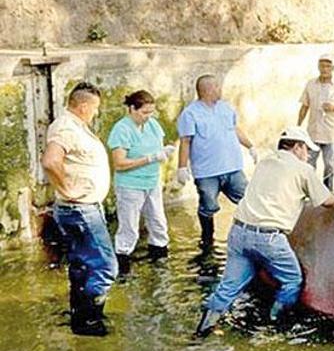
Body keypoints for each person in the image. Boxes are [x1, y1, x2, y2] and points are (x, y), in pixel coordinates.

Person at [195, 126, 334, 337]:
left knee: (228, 288)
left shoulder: (265, 163)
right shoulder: (303, 170)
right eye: (307, 149)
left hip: (238, 233)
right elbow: (329, 201)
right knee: (291, 280)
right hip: (269, 239)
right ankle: (274, 325)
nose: (307, 155)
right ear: (297, 147)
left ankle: (201, 331)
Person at [41, 82, 117, 336]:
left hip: (80, 208)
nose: (96, 113)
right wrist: (67, 188)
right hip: (80, 209)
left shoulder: (75, 126)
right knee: (106, 266)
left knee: (82, 264)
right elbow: (51, 161)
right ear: (83, 106)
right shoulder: (65, 127)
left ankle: (78, 315)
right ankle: (89, 319)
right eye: (95, 108)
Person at [176, 74, 258, 248]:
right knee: (208, 206)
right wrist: (182, 167)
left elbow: (236, 129)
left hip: (233, 168)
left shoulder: (226, 108)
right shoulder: (190, 114)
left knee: (248, 200)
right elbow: (185, 141)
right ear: (207, 90)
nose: (220, 90)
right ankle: (207, 239)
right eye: (217, 87)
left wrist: (250, 146)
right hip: (207, 172)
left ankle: (254, 235)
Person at [107, 90, 175, 276]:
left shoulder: (153, 125)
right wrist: (150, 158)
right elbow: (119, 164)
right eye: (144, 112)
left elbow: (158, 148)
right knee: (129, 228)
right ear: (132, 109)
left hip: (152, 182)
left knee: (159, 223)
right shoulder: (122, 129)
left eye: (151, 112)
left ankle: (160, 262)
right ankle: (122, 266)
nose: (148, 116)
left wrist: (165, 152)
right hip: (130, 185)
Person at [297, 54, 334, 190]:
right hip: (313, 133)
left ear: (332, 68)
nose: (324, 69)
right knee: (309, 164)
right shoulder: (311, 84)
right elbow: (305, 105)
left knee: (329, 164)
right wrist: (298, 125)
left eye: (328, 66)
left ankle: (328, 191)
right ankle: (310, 191)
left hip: (331, 133)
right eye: (322, 66)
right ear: (318, 67)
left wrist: (333, 108)